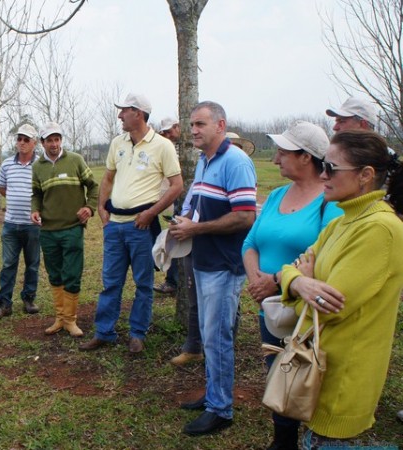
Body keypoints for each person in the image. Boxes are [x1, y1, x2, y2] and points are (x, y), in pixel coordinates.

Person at [279, 130, 403, 449]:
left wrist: (299, 288)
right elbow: (292, 268)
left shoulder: (380, 229)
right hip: (320, 370)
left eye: (332, 169)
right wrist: (299, 281)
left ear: (365, 175)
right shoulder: (340, 221)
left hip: (342, 384)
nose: (323, 175)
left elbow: (326, 306)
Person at [242, 121, 343, 450]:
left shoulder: (330, 203)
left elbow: (323, 256)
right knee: (278, 370)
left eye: (283, 152)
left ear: (306, 157)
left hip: (304, 311)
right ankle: (283, 440)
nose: (276, 159)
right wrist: (256, 278)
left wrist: (274, 281)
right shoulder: (275, 195)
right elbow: (251, 241)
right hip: (271, 309)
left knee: (307, 372)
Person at [169, 101, 257, 436]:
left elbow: (245, 216)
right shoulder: (205, 161)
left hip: (224, 264)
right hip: (204, 261)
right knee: (209, 335)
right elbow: (200, 207)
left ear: (221, 125)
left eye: (201, 124)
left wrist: (196, 229)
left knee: (218, 337)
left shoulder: (236, 161)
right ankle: (213, 394)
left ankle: (221, 409)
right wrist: (186, 221)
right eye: (192, 125)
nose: (194, 130)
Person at [79, 94, 182, 354]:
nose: (119, 115)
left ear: (138, 113)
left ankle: (137, 333)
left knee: (143, 283)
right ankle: (104, 332)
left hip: (142, 226)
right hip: (115, 225)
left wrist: (151, 213)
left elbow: (177, 185)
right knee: (110, 281)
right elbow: (108, 178)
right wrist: (102, 209)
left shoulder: (162, 146)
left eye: (124, 110)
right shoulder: (118, 143)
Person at [31, 122, 99, 337]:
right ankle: (59, 318)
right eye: (49, 140)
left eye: (57, 139)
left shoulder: (75, 160)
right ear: (42, 143)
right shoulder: (37, 166)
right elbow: (37, 193)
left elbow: (94, 186)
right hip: (48, 229)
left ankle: (71, 320)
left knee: (72, 273)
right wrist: (35, 210)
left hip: (72, 228)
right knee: (54, 274)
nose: (54, 144)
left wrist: (89, 207)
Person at [0, 124, 41, 320]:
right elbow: (1, 188)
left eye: (26, 139)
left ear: (34, 143)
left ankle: (28, 299)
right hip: (11, 224)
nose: (21, 142)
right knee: (8, 264)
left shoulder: (41, 165)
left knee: (33, 264)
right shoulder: (7, 164)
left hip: (33, 226)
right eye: (19, 138)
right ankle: (4, 303)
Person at [154, 116, 182, 296]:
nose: (167, 135)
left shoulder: (189, 149)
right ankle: (172, 281)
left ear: (178, 128)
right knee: (174, 240)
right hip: (171, 201)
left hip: (186, 201)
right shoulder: (164, 148)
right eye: (164, 132)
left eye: (169, 131)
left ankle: (175, 281)